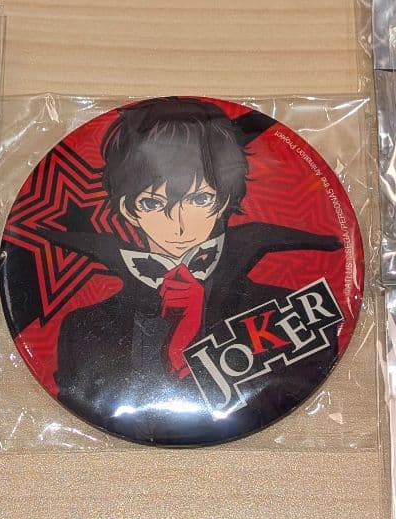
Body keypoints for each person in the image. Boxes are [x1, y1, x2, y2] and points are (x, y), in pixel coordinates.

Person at [48, 98, 343, 445]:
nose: (179, 224)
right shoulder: (82, 330)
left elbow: (289, 394)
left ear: (223, 201)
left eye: (199, 200)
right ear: (128, 210)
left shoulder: (289, 313)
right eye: (153, 203)